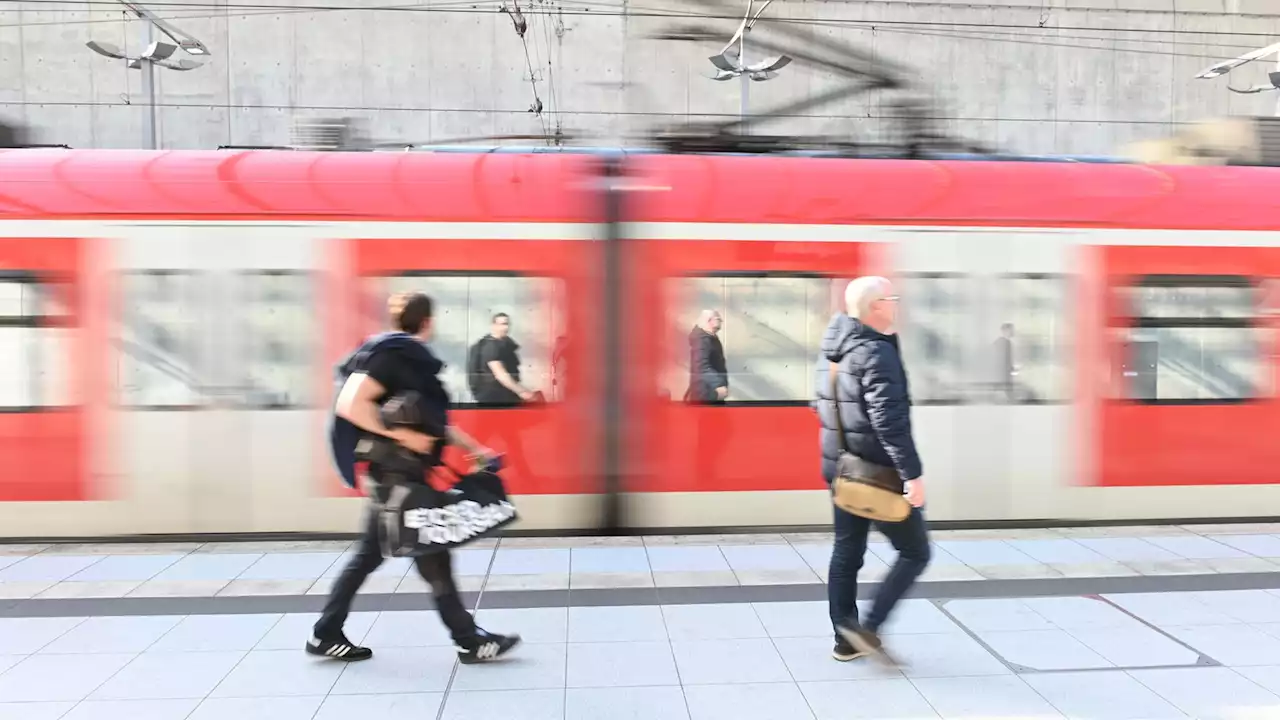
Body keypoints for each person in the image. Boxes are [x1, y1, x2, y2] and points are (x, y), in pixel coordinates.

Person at [311, 292, 520, 664]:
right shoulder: (395, 356)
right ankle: (468, 640)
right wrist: (404, 436)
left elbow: (433, 422)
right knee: (433, 557)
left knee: (371, 556)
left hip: (395, 477)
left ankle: (326, 632)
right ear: (428, 322)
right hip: (399, 478)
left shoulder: (397, 356)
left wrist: (475, 449)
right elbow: (351, 404)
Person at [816, 276, 930, 664]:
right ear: (876, 306)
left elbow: (821, 406)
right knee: (916, 551)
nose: (897, 304)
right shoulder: (875, 353)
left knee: (847, 550)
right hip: (876, 473)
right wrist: (912, 476)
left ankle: (844, 637)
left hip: (842, 471)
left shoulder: (832, 350)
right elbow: (889, 422)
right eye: (892, 298)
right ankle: (869, 628)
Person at [471, 313, 537, 406]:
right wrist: (522, 392)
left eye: (507, 324)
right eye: (502, 324)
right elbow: (500, 374)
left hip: (503, 396)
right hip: (495, 398)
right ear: (493, 326)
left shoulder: (504, 344)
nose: (505, 327)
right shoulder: (491, 346)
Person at [686, 309, 728, 404]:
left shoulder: (709, 337)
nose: (721, 322)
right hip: (706, 393)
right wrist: (718, 384)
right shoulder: (702, 340)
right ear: (709, 320)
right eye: (718, 319)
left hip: (709, 391)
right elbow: (701, 366)